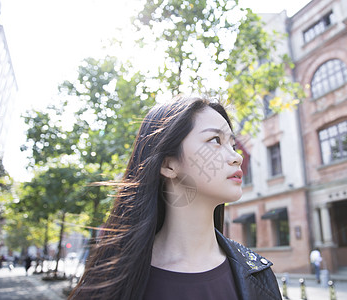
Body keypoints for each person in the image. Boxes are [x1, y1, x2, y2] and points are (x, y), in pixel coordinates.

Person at [69, 96, 282, 300]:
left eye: (233, 146)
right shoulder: (110, 279)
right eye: (215, 140)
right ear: (168, 165)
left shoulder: (258, 275)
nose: (237, 157)